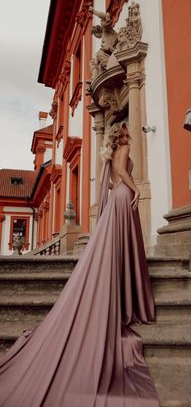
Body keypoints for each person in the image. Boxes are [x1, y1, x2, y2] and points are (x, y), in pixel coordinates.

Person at [0, 122, 159, 407]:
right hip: (124, 198)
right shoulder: (123, 148)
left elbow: (110, 181)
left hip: (115, 200)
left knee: (116, 250)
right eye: (124, 132)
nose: (127, 134)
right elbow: (122, 174)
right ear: (120, 135)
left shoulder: (108, 153)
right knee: (125, 248)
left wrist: (125, 187)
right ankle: (131, 296)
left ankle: (123, 292)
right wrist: (136, 190)